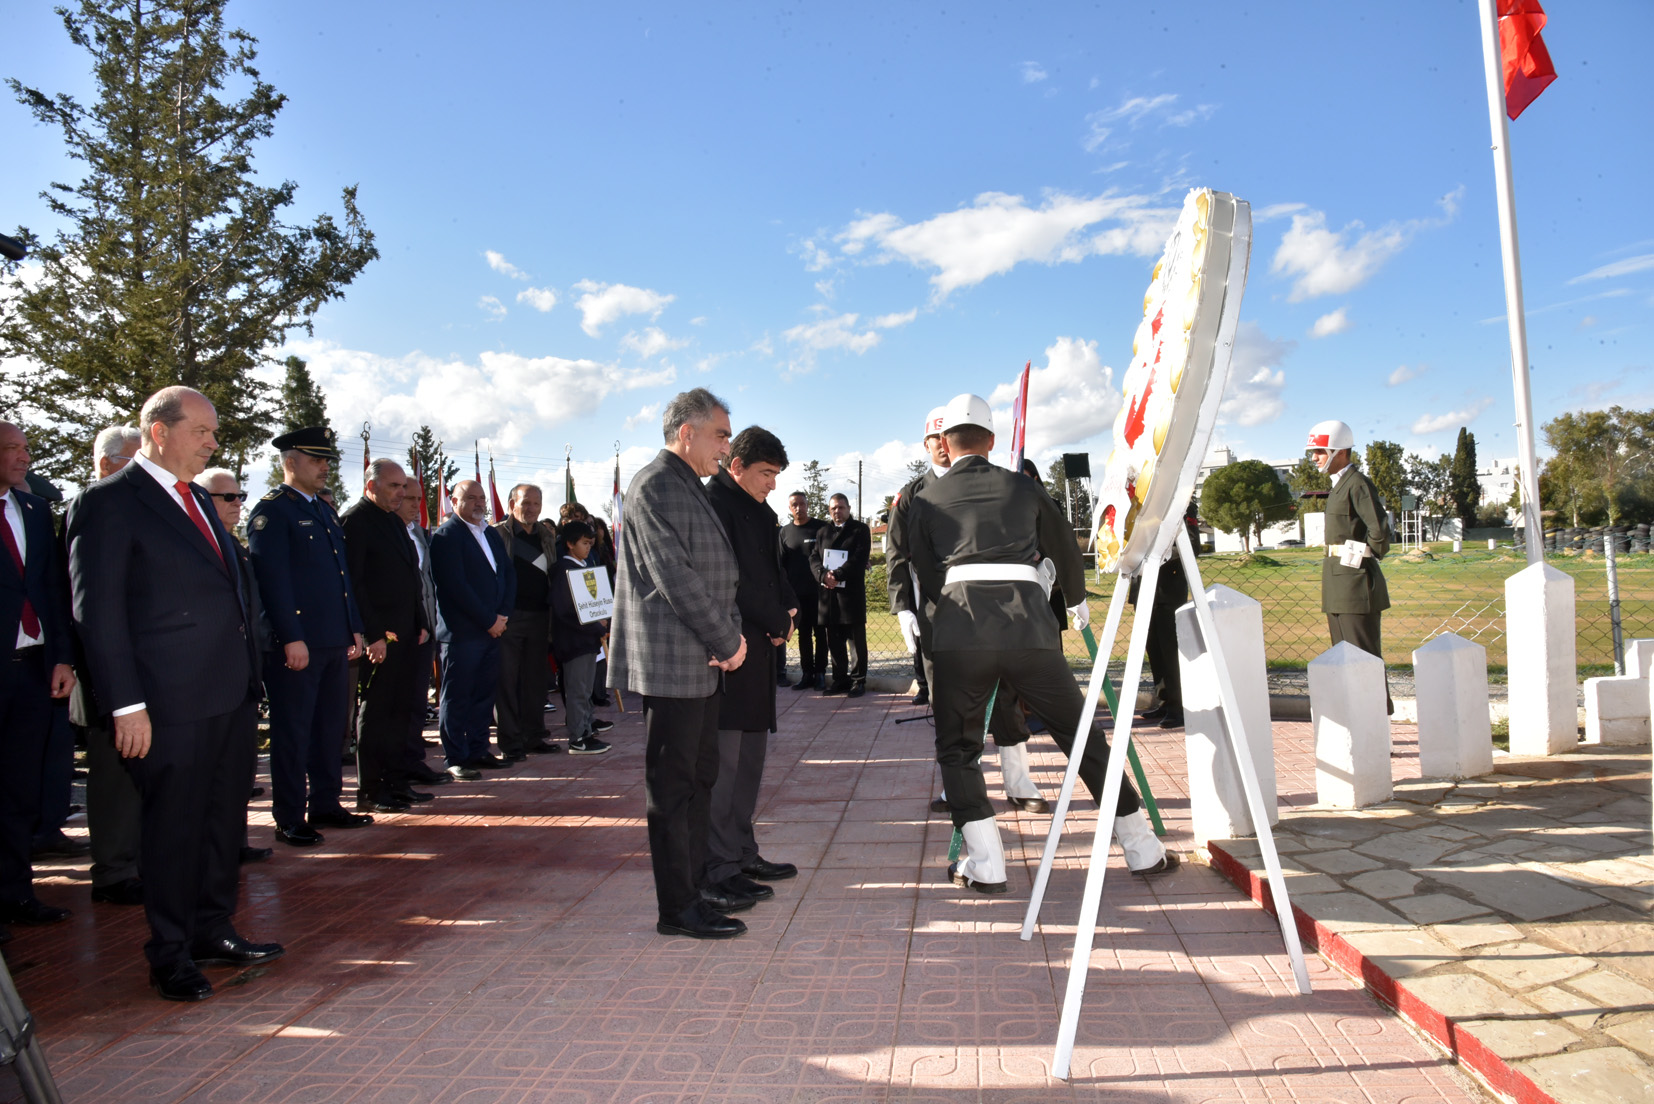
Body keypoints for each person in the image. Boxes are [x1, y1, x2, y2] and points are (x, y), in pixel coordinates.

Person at [908, 393, 1174, 894]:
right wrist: (1074, 600)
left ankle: (986, 864)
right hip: (1030, 630)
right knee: (1083, 738)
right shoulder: (1022, 487)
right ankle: (1142, 848)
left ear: (945, 441)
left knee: (958, 750)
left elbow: (924, 569)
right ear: (991, 441)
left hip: (960, 634)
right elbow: (1064, 548)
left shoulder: (923, 500)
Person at [67, 387, 282, 1002]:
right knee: (172, 829)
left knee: (221, 822)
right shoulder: (109, 503)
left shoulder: (199, 502)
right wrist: (125, 703)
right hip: (165, 703)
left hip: (229, 693)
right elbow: (97, 612)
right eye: (203, 431)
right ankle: (169, 952)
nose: (213, 441)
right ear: (160, 432)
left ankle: (213, 929)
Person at [608, 388, 747, 940]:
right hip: (676, 661)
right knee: (672, 788)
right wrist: (728, 639)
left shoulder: (688, 484)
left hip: (702, 658)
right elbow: (675, 576)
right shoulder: (656, 484)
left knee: (698, 778)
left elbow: (716, 572)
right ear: (686, 433)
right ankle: (677, 908)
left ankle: (696, 891)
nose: (726, 445)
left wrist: (726, 636)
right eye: (720, 434)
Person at [889, 409, 1047, 816]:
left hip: (997, 615)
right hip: (939, 616)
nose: (942, 445)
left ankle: (1018, 781)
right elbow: (895, 554)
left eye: (948, 436)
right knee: (949, 706)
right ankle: (956, 787)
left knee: (1008, 699)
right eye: (934, 439)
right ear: (926, 445)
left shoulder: (995, 483)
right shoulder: (914, 495)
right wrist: (904, 607)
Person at [248, 427, 369, 847]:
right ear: (291, 461)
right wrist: (289, 637)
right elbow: (272, 582)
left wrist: (353, 624)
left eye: (327, 461)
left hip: (333, 639)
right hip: (298, 644)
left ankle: (326, 803)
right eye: (317, 460)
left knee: (329, 728)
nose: (325, 468)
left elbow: (341, 577)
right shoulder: (273, 511)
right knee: (293, 731)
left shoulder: (323, 510)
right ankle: (288, 816)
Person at [703, 427, 799, 903]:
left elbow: (774, 571)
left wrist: (789, 609)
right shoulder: (713, 505)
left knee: (751, 763)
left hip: (759, 650)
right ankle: (718, 867)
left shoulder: (762, 511)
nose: (773, 484)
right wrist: (776, 616)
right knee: (725, 767)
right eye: (766, 474)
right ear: (736, 465)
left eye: (777, 475)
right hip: (726, 652)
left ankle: (742, 851)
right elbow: (731, 579)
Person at [0, 421, 77, 933]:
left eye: (26, 448)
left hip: (32, 672)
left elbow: (52, 589)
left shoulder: (33, 508)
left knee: (18, 788)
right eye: (12, 448)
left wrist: (62, 658)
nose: (24, 457)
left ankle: (16, 894)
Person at [75, 426, 148, 904]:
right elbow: (93, 603)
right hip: (110, 673)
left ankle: (139, 861)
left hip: (151, 666)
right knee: (115, 774)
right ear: (107, 464)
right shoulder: (96, 505)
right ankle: (115, 871)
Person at [341, 460, 432, 812]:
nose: (402, 494)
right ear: (371, 486)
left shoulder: (395, 523)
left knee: (401, 710)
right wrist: (373, 633)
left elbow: (411, 579)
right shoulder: (356, 521)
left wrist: (420, 620)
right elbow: (355, 584)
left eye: (403, 488)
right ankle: (371, 789)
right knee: (377, 713)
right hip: (380, 638)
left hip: (408, 634)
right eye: (394, 487)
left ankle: (396, 781)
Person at [195, 467, 274, 865]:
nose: (237, 504)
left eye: (239, 496)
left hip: (243, 675)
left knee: (237, 769)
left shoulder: (236, 547)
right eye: (227, 497)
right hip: (208, 678)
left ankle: (233, 841)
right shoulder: (196, 547)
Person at [430, 479, 516, 777]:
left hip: (493, 630)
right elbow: (455, 587)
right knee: (457, 696)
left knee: (483, 694)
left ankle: (479, 749)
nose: (480, 503)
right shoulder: (445, 536)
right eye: (471, 498)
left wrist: (502, 614)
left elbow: (506, 574)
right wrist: (489, 620)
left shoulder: (490, 533)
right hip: (463, 634)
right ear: (454, 502)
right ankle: (456, 757)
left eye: (482, 498)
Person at [1308, 419, 1393, 713]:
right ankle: (1358, 724)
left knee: (1363, 659)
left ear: (1340, 452)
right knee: (1343, 660)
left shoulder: (1357, 484)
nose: (1315, 458)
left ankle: (1377, 727)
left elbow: (1380, 530)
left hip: (1355, 584)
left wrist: (1364, 555)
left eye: (1319, 451)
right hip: (1338, 583)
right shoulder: (1339, 486)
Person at [491, 484, 560, 759]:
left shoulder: (547, 536)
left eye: (536, 503)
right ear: (511, 504)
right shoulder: (496, 534)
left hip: (542, 617)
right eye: (525, 503)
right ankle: (510, 742)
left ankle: (534, 735)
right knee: (507, 681)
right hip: (509, 618)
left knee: (535, 682)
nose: (531, 508)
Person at [395, 488, 451, 789]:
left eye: (418, 499)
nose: (416, 505)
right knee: (397, 706)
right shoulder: (390, 531)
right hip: (400, 632)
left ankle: (413, 760)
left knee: (417, 702)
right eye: (407, 497)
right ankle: (396, 769)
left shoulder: (417, 532)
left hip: (425, 627)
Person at [1130, 506, 1198, 729]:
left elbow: (1192, 547)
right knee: (1155, 651)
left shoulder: (1182, 505)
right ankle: (1165, 699)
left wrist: (1155, 556)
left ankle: (1179, 707)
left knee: (1171, 654)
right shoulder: (1141, 508)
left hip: (1168, 590)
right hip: (1144, 592)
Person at [548, 520, 611, 755]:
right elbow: (567, 611)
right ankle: (577, 737)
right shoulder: (564, 571)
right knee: (577, 690)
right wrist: (595, 625)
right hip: (574, 642)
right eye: (584, 543)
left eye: (590, 543)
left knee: (585, 690)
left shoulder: (583, 567)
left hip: (588, 641)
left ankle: (586, 730)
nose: (588, 548)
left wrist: (601, 620)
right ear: (570, 544)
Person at [811, 493, 870, 697]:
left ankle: (858, 681)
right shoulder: (822, 532)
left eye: (841, 507)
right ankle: (840, 680)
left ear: (849, 508)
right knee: (834, 642)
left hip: (850, 596)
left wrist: (837, 574)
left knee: (856, 643)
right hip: (828, 596)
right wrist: (822, 575)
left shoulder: (860, 530)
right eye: (834, 508)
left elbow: (859, 557)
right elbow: (814, 557)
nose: (838, 511)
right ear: (829, 510)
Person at [778, 492, 827, 691]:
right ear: (790, 508)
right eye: (794, 505)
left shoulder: (821, 528)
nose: (799, 508)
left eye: (802, 504)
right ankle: (807, 674)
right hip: (797, 594)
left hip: (820, 592)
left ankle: (821, 674)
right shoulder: (784, 532)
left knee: (821, 634)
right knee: (803, 634)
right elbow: (780, 564)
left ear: (808, 504)